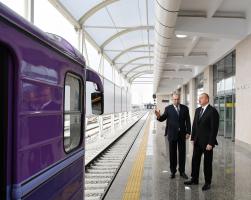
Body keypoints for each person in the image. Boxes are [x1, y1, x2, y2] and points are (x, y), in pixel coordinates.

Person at [184, 93, 219, 191]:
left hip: (207, 143)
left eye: (201, 98)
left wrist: (211, 143)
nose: (199, 100)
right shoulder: (197, 110)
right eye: (199, 98)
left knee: (207, 163)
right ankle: (194, 179)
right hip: (197, 141)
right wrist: (193, 138)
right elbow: (194, 125)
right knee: (195, 161)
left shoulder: (212, 111)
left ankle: (208, 182)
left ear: (207, 99)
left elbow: (214, 129)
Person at [155, 93, 191, 179]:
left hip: (182, 134)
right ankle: (173, 171)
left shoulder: (185, 108)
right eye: (174, 99)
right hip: (172, 134)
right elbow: (163, 118)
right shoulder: (168, 108)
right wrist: (159, 117)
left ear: (179, 99)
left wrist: (188, 132)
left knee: (182, 153)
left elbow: (188, 121)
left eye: (178, 99)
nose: (176, 101)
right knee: (172, 153)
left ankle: (182, 171)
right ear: (172, 100)